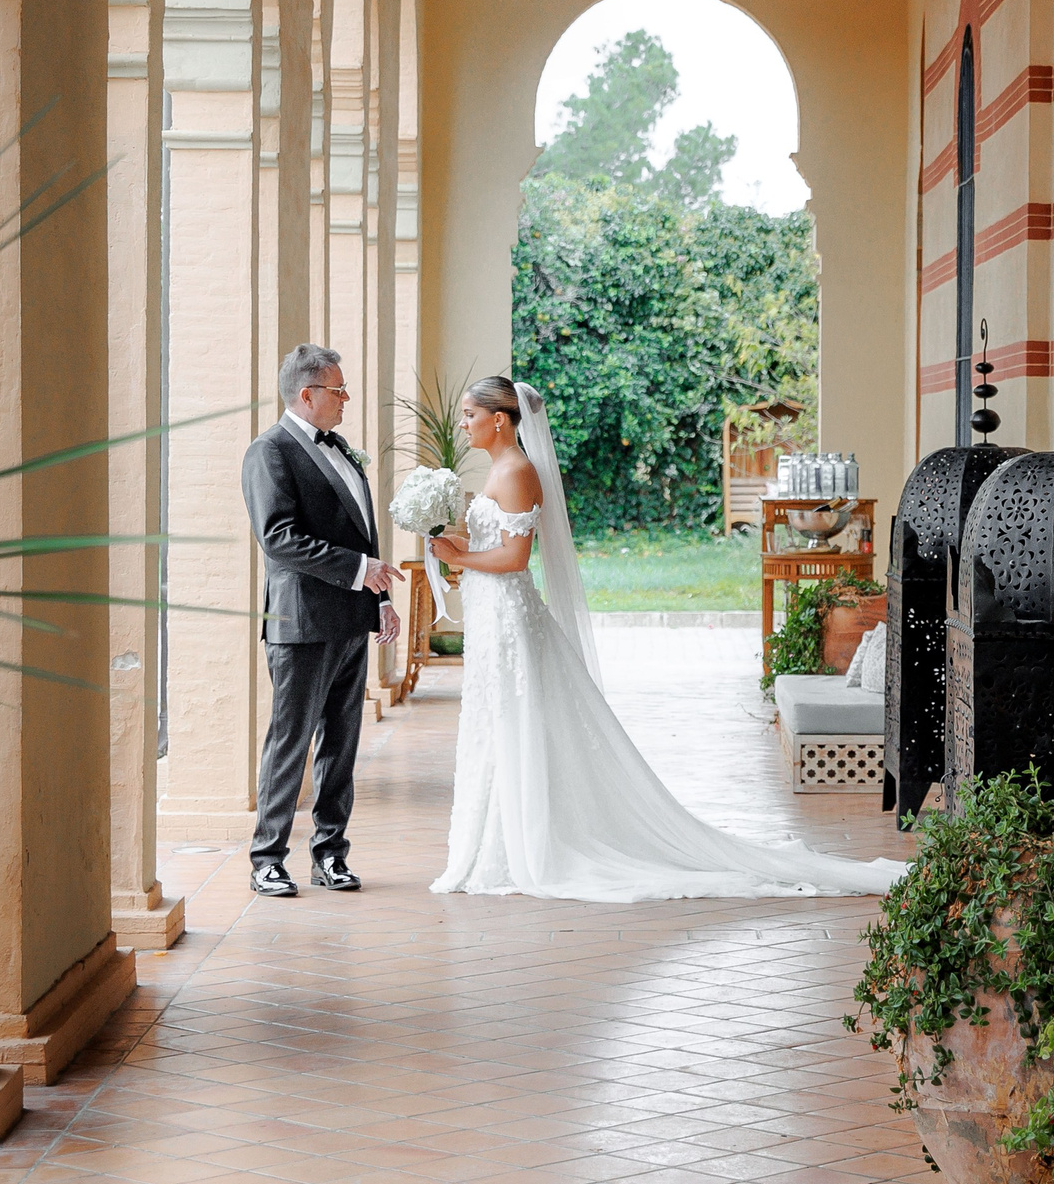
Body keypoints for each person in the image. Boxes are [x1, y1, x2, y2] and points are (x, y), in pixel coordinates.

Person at [425, 376, 904, 900]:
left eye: (470, 414)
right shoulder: (499, 468)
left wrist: (460, 557)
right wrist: (456, 547)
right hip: (494, 617)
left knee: (513, 720)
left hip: (509, 622)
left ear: (499, 419)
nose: (463, 424)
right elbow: (496, 542)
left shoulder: (516, 470)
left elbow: (515, 558)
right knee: (497, 722)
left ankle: (524, 845)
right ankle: (496, 842)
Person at [242, 344, 401, 897]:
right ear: (307, 395)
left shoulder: (341, 450)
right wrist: (359, 570)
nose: (346, 398)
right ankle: (267, 858)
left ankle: (330, 854)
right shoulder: (270, 451)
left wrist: (378, 597)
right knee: (291, 743)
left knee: (341, 745)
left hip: (351, 620)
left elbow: (362, 533)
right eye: (338, 390)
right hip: (301, 623)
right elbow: (278, 538)